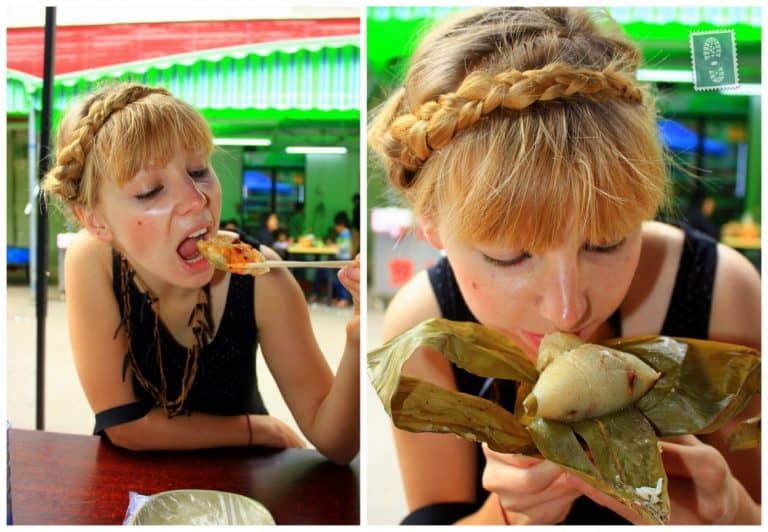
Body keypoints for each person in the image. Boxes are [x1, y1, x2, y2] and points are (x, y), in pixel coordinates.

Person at [368, 7, 759, 525]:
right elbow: (434, 512)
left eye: (607, 243)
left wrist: (733, 512)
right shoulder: (423, 331)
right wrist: (505, 517)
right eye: (509, 256)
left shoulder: (721, 292)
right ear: (432, 225)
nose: (567, 308)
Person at [42, 83, 360, 465]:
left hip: (246, 481)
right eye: (151, 190)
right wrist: (258, 429)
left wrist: (358, 341)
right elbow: (125, 425)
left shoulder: (263, 277)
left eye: (198, 170)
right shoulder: (89, 261)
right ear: (95, 220)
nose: (197, 199)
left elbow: (337, 443)